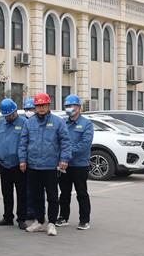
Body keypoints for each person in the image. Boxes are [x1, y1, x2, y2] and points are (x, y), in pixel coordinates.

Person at [19, 93, 71, 237]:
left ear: (49, 106)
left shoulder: (58, 122)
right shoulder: (29, 123)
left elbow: (65, 142)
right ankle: (39, 221)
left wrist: (64, 159)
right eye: (38, 106)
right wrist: (22, 159)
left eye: (43, 105)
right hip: (34, 166)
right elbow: (23, 143)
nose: (41, 108)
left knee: (52, 196)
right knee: (36, 196)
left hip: (50, 166)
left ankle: (52, 223)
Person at [58, 95, 94, 230]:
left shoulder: (86, 124)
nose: (69, 108)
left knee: (81, 193)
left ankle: (84, 220)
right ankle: (63, 217)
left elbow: (85, 144)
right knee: (64, 193)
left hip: (79, 164)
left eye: (71, 106)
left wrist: (66, 154)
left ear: (78, 107)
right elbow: (57, 140)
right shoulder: (62, 123)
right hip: (64, 165)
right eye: (67, 106)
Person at [0, 98, 28, 229]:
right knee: (6, 192)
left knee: (21, 192)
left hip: (18, 164)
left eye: (9, 115)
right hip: (4, 164)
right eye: (5, 115)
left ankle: (21, 218)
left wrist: (23, 160)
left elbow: (27, 143)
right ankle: (8, 217)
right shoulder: (0, 123)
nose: (7, 117)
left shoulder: (24, 123)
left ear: (15, 112)